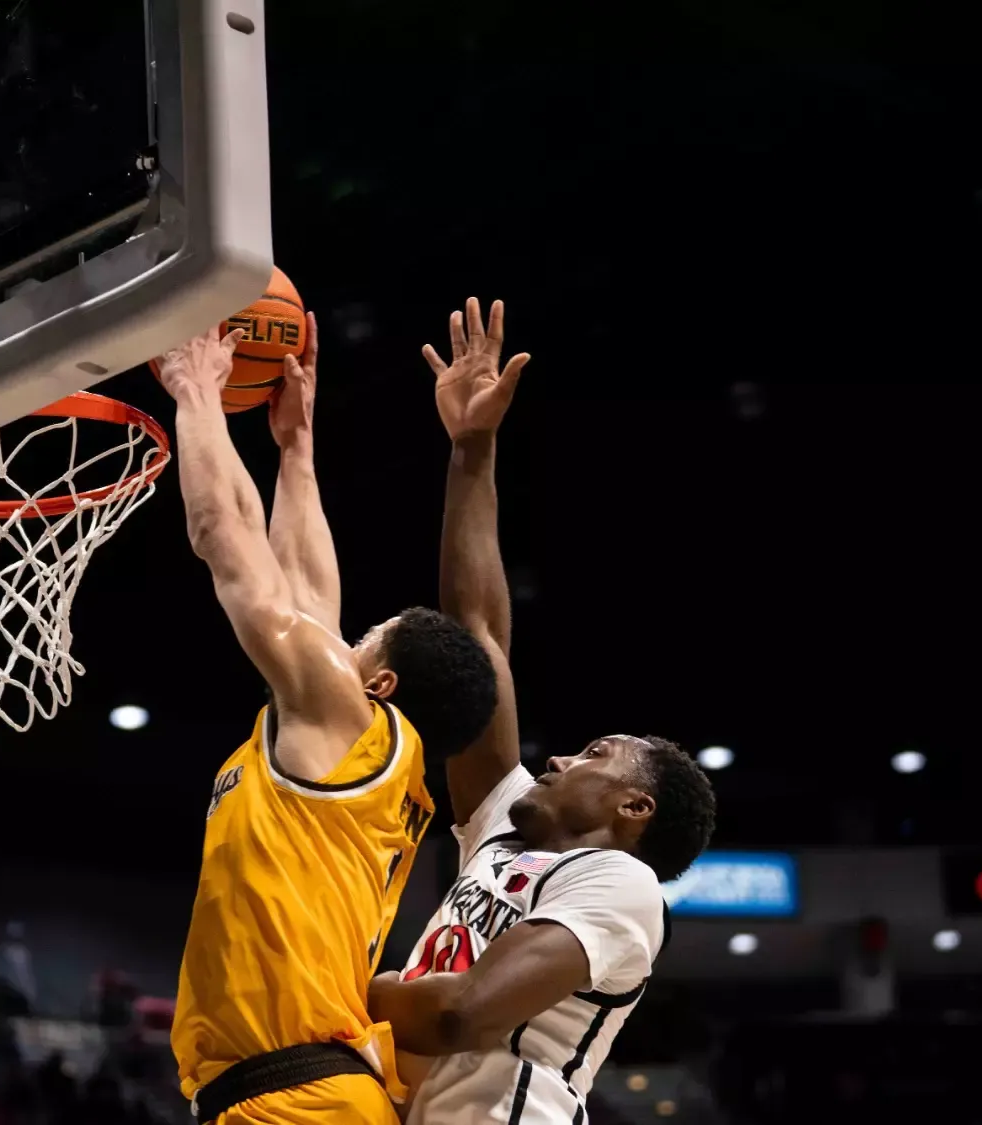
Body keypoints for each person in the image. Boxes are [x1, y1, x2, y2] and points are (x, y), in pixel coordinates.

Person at [366, 299, 719, 1123]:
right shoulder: (505, 831)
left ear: (636, 807)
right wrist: (471, 449)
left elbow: (460, 1013)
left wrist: (334, 984)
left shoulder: (620, 883)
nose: (559, 758)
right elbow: (477, 638)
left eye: (595, 754)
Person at [156, 317, 500, 1123]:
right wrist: (296, 447)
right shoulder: (372, 763)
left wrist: (195, 388)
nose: (337, 640)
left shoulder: (353, 725)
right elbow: (306, 594)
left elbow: (222, 536)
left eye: (361, 639)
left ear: (378, 683)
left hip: (298, 1099)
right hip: (303, 1095)